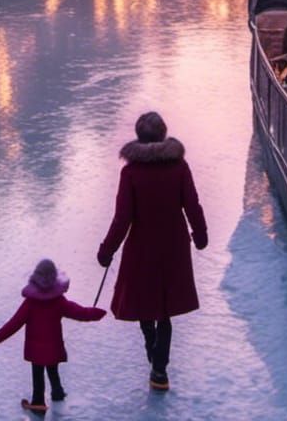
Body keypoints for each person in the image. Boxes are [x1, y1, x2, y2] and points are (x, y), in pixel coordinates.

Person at [96, 111, 207, 392]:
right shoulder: (179, 167)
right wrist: (200, 234)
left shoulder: (131, 173)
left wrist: (106, 250)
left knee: (146, 301)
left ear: (139, 137)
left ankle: (153, 352)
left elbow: (122, 218)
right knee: (165, 307)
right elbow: (192, 205)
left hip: (142, 245)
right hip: (173, 244)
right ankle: (160, 368)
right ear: (162, 134)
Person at [0, 258, 105, 415]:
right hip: (53, 348)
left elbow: (13, 324)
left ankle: (38, 401)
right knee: (53, 370)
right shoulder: (59, 301)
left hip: (35, 351)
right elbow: (78, 312)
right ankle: (58, 393)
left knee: (38, 374)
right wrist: (94, 313)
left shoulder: (30, 303)